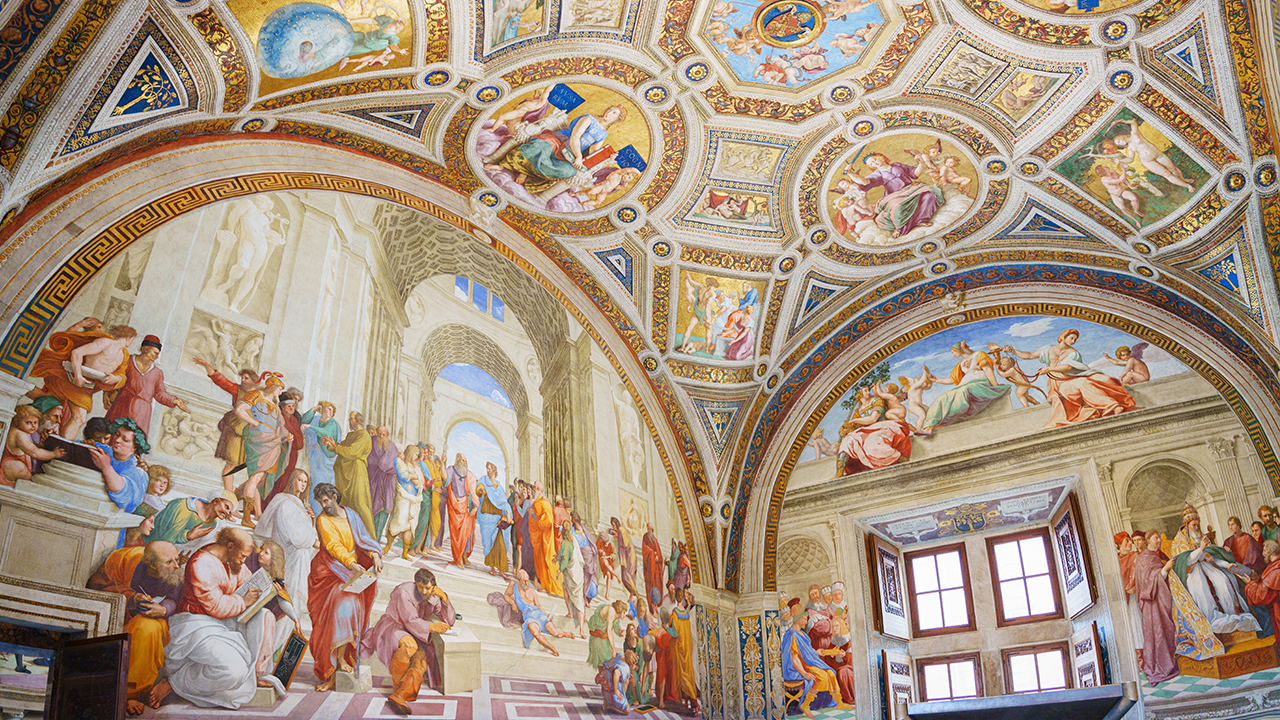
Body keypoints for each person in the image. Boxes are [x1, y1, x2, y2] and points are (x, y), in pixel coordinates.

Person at [154, 528, 289, 710]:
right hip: (196, 625)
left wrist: (271, 591)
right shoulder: (202, 563)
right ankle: (175, 683)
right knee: (234, 672)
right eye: (242, 556)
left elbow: (248, 583)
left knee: (265, 616)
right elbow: (216, 607)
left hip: (223, 623)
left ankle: (256, 674)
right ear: (230, 547)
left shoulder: (232, 561)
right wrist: (243, 601)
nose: (244, 560)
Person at [309, 483, 383, 692]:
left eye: (326, 501)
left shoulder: (351, 514)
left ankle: (341, 657)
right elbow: (333, 546)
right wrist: (351, 564)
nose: (323, 506)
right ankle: (333, 666)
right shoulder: (323, 520)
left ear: (335, 497)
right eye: (320, 502)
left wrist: (374, 555)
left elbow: (364, 539)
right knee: (339, 611)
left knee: (350, 608)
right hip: (329, 572)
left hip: (350, 571)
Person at [361, 569, 455, 713]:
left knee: (421, 660)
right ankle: (398, 690)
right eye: (421, 587)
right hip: (394, 626)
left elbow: (450, 621)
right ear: (416, 583)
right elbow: (409, 620)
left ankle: (399, 696)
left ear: (433, 586)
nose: (424, 591)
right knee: (409, 646)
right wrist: (432, 626)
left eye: (428, 588)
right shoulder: (403, 591)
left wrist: (444, 598)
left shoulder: (434, 595)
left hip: (418, 632)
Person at [1005, 329, 1136, 429]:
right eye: (1071, 338)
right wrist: (1014, 351)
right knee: (1082, 383)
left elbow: (1068, 367)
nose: (1073, 341)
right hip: (1057, 386)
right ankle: (1111, 405)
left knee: (1084, 382)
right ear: (1063, 336)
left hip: (1067, 381)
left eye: (1075, 340)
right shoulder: (1049, 349)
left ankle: (1113, 405)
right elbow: (1029, 355)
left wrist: (1049, 369)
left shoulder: (1073, 353)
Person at [28, 323, 135, 439]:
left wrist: (115, 378)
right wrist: (78, 376)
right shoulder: (105, 343)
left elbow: (122, 375)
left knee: (78, 418)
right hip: (71, 378)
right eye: (132, 339)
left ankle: (62, 445)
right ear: (128, 338)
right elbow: (77, 353)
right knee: (51, 400)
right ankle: (22, 387)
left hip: (86, 387)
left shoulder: (124, 354)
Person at [1168, 503, 1259, 634]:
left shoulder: (1203, 537)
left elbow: (1213, 557)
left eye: (1198, 525)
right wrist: (1200, 549)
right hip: (1192, 572)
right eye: (1194, 525)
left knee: (1224, 580)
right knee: (1199, 588)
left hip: (1209, 567)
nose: (1197, 528)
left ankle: (1232, 614)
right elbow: (1186, 561)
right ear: (1187, 526)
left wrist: (1226, 565)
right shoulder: (1179, 541)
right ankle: (1211, 620)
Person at [123, 541, 183, 715]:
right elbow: (115, 587)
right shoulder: (133, 566)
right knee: (141, 625)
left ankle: (132, 691)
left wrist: (163, 609)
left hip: (160, 621)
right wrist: (134, 598)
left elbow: (174, 599)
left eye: (177, 559)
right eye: (169, 562)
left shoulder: (176, 574)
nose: (176, 565)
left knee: (146, 627)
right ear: (151, 564)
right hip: (127, 615)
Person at [254, 469, 317, 614]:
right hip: (285, 548)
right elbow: (294, 536)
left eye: (305, 482)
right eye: (300, 480)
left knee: (302, 553)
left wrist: (312, 521)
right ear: (292, 480)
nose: (303, 484)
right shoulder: (284, 501)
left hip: (296, 547)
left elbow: (304, 532)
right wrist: (311, 540)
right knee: (300, 553)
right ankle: (294, 601)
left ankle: (297, 601)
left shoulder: (301, 505)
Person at [841, 152, 943, 238]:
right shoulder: (878, 174)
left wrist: (921, 163)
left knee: (929, 195)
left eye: (874, 159)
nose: (874, 163)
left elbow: (915, 173)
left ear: (880, 157)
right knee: (897, 206)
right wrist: (850, 173)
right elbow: (864, 181)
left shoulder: (897, 165)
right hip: (895, 195)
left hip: (912, 189)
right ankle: (900, 227)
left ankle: (921, 220)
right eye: (871, 163)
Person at [234, 373, 290, 528]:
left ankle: (233, 497)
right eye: (279, 389)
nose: (280, 392)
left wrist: (287, 435)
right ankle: (246, 517)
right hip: (258, 442)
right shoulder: (256, 395)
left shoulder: (276, 407)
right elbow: (240, 409)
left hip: (272, 444)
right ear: (272, 387)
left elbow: (280, 426)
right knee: (256, 477)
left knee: (259, 479)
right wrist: (252, 421)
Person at [104, 335, 188, 437]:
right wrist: (107, 394)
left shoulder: (157, 373)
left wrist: (174, 401)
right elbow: (115, 378)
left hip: (142, 413)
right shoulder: (128, 361)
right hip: (122, 406)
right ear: (145, 349)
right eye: (155, 353)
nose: (157, 356)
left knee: (134, 440)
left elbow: (160, 393)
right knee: (113, 436)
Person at [192, 360, 258, 490]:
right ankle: (228, 493)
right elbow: (221, 381)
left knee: (251, 467)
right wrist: (207, 366)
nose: (243, 380)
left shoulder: (260, 394)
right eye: (242, 378)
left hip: (252, 434)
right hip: (235, 431)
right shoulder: (238, 390)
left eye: (246, 378)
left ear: (254, 380)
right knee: (231, 464)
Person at [917, 341, 1006, 435]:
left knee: (963, 392)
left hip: (979, 383)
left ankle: (947, 420)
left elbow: (987, 369)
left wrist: (995, 385)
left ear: (959, 350)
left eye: (953, 352)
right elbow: (952, 380)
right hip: (964, 384)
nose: (953, 354)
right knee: (942, 398)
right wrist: (936, 380)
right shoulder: (961, 364)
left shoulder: (979, 354)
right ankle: (929, 426)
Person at [782, 611, 846, 717]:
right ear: (798, 619)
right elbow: (794, 657)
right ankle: (805, 704)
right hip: (799, 667)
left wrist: (831, 652)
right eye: (805, 619)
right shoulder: (791, 635)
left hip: (809, 663)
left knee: (830, 673)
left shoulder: (803, 635)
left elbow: (811, 652)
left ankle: (839, 702)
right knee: (823, 677)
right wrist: (804, 673)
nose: (806, 622)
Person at [322, 411, 375, 537]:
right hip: (346, 473)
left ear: (358, 421)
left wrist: (336, 448)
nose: (349, 421)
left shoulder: (364, 435)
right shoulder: (352, 435)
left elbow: (352, 452)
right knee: (345, 503)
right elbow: (341, 447)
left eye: (351, 419)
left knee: (360, 504)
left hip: (356, 472)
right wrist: (331, 444)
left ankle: (371, 537)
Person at [1136, 532, 1178, 684]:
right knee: (1158, 631)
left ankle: (1170, 661)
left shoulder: (1157, 555)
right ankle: (1160, 665)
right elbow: (1148, 581)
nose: (1159, 540)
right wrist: (1166, 568)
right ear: (1148, 540)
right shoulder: (1144, 558)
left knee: (1167, 629)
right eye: (1156, 538)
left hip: (1162, 598)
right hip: (1152, 602)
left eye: (1159, 538)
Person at [503, 569, 573, 657]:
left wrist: (547, 615)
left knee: (555, 633)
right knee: (536, 633)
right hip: (530, 617)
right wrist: (513, 603)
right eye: (524, 581)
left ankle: (565, 633)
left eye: (527, 580)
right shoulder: (513, 585)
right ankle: (551, 648)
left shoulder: (531, 591)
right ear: (519, 579)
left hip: (539, 615)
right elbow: (506, 595)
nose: (526, 583)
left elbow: (538, 606)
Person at [88, 418, 151, 512]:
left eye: (125, 440)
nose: (117, 440)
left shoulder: (138, 472)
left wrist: (106, 467)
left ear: (134, 447)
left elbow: (123, 495)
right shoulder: (103, 449)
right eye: (117, 434)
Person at [144, 490, 236, 546]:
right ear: (216, 501)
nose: (227, 513)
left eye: (230, 512)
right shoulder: (184, 508)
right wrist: (188, 536)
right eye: (226, 507)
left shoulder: (214, 524)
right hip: (153, 543)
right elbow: (167, 538)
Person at [2, 404, 65, 484]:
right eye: (28, 422)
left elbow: (30, 447)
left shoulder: (22, 432)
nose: (33, 426)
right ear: (18, 422)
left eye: (35, 422)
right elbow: (35, 452)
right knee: (25, 474)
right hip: (11, 468)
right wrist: (54, 454)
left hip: (12, 467)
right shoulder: (19, 434)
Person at [300, 401, 342, 513]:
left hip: (326, 458)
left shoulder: (332, 423)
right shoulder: (315, 419)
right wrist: (313, 409)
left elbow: (325, 433)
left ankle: (321, 511)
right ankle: (314, 510)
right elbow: (304, 421)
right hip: (313, 455)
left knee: (320, 482)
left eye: (332, 411)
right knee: (311, 481)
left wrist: (310, 426)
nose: (331, 412)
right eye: (329, 409)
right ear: (322, 409)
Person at [384, 445, 424, 560]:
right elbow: (403, 476)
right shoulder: (400, 462)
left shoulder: (412, 467)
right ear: (410, 453)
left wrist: (415, 479)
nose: (416, 457)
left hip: (414, 501)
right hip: (403, 498)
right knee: (398, 522)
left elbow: (418, 482)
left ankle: (404, 553)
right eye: (415, 454)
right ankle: (387, 547)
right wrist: (413, 477)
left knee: (410, 526)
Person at [264, 393, 305, 504]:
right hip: (279, 453)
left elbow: (300, 442)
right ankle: (266, 506)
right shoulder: (278, 417)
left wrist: (294, 439)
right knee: (273, 480)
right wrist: (288, 438)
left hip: (291, 455)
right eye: (289, 406)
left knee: (284, 481)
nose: (292, 409)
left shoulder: (294, 419)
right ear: (282, 407)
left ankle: (276, 505)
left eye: (293, 406)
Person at [477, 461, 512, 574]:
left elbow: (504, 502)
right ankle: (492, 567)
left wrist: (508, 513)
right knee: (488, 542)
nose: (488, 471)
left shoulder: (499, 487)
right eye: (487, 468)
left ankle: (501, 569)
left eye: (490, 469)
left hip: (498, 518)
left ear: (495, 471)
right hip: (487, 516)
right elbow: (479, 488)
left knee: (500, 544)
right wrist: (481, 491)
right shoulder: (483, 480)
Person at [445, 454, 479, 567]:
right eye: (462, 460)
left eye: (465, 461)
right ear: (457, 461)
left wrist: (475, 506)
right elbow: (445, 481)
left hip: (467, 507)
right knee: (458, 535)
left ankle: (464, 556)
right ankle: (458, 558)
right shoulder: (451, 470)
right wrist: (442, 463)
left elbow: (474, 492)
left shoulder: (469, 475)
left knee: (468, 534)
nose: (464, 463)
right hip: (455, 506)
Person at [528, 480, 562, 593]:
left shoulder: (544, 503)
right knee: (540, 561)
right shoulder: (538, 501)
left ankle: (550, 586)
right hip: (540, 537)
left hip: (545, 538)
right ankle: (544, 584)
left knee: (547, 560)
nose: (533, 490)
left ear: (538, 490)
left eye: (534, 488)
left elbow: (548, 521)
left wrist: (534, 517)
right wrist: (533, 516)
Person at [412, 443, 446, 554]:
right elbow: (424, 480)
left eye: (431, 452)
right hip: (423, 495)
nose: (428, 455)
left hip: (429, 495)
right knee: (421, 523)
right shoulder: (421, 464)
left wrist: (433, 484)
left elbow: (429, 480)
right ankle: (413, 547)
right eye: (426, 452)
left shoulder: (429, 464)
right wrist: (432, 486)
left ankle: (419, 547)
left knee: (426, 524)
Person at [1245, 540, 1280, 637]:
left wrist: (1250, 583)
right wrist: (1257, 579)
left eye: (1265, 551)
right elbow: (1267, 584)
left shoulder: (1276, 570)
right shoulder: (1275, 566)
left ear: (1271, 551)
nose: (1263, 554)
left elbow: (1260, 596)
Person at [368, 426, 398, 539]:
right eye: (379, 434)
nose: (381, 437)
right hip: (373, 483)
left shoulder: (392, 448)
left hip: (387, 486)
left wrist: (383, 467)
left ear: (387, 435)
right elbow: (368, 460)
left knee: (382, 514)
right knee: (370, 512)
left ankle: (376, 540)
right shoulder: (371, 443)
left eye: (383, 434)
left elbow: (391, 466)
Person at [559, 520, 587, 638]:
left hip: (570, 574)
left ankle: (570, 612)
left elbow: (565, 560)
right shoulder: (574, 540)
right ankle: (581, 630)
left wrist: (559, 570)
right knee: (579, 600)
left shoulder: (565, 543)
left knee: (565, 588)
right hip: (578, 573)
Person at [587, 600, 630, 668]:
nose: (625, 615)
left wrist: (619, 631)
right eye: (624, 612)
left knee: (608, 655)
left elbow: (616, 626)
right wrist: (614, 649)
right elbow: (609, 630)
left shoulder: (617, 617)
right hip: (598, 632)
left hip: (604, 635)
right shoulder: (611, 611)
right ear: (620, 610)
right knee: (603, 656)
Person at [610, 516, 638, 597]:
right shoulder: (620, 530)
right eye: (612, 525)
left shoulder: (621, 530)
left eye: (614, 525)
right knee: (626, 575)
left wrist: (617, 537)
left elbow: (625, 544)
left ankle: (636, 594)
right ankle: (632, 594)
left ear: (617, 524)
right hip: (626, 556)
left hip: (628, 556)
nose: (613, 527)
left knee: (626, 575)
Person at [642, 524, 664, 607]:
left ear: (652, 530)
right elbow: (645, 549)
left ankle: (657, 604)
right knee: (651, 586)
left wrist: (658, 556)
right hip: (649, 568)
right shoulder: (645, 537)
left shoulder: (654, 540)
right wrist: (652, 553)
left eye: (650, 529)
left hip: (656, 568)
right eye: (648, 529)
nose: (648, 530)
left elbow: (659, 553)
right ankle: (652, 605)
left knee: (657, 585)